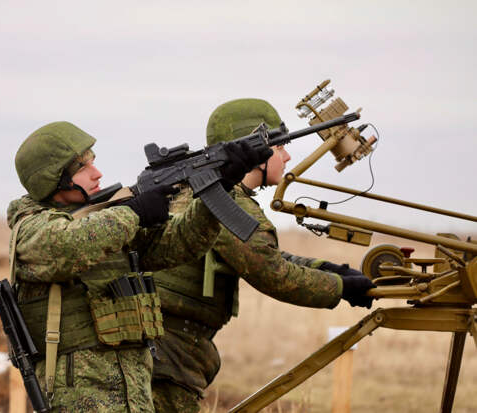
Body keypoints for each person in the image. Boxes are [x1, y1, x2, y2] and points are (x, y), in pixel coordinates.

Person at [6, 120, 269, 412]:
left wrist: (221, 184)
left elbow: (177, 245)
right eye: (83, 168)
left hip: (134, 388)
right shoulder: (31, 230)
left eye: (94, 162)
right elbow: (69, 245)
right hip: (80, 393)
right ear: (52, 179)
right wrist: (134, 212)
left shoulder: (106, 219)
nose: (98, 173)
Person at [150, 99, 376, 413]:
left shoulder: (201, 192)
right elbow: (274, 275)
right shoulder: (226, 199)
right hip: (168, 352)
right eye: (280, 147)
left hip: (167, 347)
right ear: (255, 153)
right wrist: (340, 288)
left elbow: (264, 255)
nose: (287, 156)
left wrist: (328, 269)